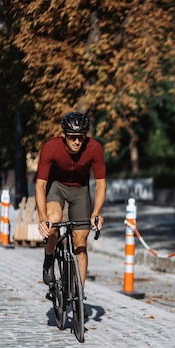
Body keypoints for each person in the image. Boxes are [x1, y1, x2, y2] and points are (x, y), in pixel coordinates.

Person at [35, 111, 106, 306]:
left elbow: (100, 184)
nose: (77, 141)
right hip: (57, 187)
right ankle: (49, 258)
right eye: (73, 137)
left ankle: (78, 296)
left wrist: (96, 212)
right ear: (64, 135)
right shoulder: (51, 148)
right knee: (54, 220)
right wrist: (43, 218)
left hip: (81, 191)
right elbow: (40, 185)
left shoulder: (94, 148)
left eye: (81, 137)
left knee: (80, 240)